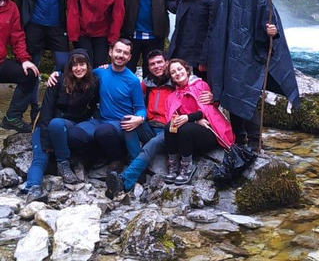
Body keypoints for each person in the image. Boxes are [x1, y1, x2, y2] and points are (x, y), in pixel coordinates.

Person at [207, 0, 300, 150]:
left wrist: (272, 31)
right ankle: (239, 140)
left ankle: (255, 142)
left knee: (245, 94)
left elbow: (269, 18)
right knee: (230, 94)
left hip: (248, 53)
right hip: (228, 52)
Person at [105, 50, 213, 198]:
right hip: (150, 126)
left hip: (170, 129)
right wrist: (107, 69)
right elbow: (128, 90)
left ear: (166, 63)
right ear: (148, 68)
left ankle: (125, 180)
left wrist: (209, 101)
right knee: (128, 123)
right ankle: (139, 170)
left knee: (153, 144)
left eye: (159, 62)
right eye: (152, 64)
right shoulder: (147, 84)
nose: (156, 66)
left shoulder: (177, 82)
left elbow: (195, 99)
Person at [24, 49, 100, 203]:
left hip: (68, 126)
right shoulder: (58, 81)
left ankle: (63, 163)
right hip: (46, 125)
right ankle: (33, 189)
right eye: (74, 65)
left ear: (88, 65)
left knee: (58, 124)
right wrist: (46, 142)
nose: (78, 68)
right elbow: (46, 112)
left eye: (82, 64)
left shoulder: (93, 85)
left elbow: (90, 111)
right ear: (69, 67)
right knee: (40, 159)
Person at [67, 38, 146, 170]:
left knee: (104, 132)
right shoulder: (100, 72)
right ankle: (94, 156)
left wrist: (140, 118)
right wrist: (57, 74)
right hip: (101, 120)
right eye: (118, 51)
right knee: (75, 133)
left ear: (130, 57)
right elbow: (77, 73)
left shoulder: (132, 80)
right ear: (110, 52)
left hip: (120, 124)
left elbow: (140, 107)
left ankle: (118, 158)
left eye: (125, 53)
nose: (121, 55)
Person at [164, 58, 233, 185]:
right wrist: (195, 121)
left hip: (209, 131)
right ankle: (173, 165)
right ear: (171, 78)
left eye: (180, 69)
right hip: (189, 134)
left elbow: (206, 110)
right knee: (170, 126)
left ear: (187, 70)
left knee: (185, 129)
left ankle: (187, 167)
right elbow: (173, 118)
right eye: (173, 72)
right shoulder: (172, 96)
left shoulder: (201, 86)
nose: (177, 73)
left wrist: (189, 118)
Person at [0, 0, 40, 132]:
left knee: (30, 74)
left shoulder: (11, 8)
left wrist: (24, 60)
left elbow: (17, 37)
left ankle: (12, 117)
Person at [167, 0, 220, 79]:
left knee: (200, 88)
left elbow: (213, 31)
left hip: (199, 56)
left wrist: (204, 59)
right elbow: (174, 6)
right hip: (180, 51)